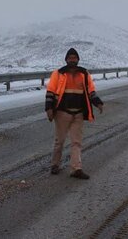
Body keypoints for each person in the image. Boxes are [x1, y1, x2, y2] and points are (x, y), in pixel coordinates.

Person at [45, 48, 104, 179]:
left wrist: (98, 103)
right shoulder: (58, 73)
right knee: (59, 141)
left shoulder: (84, 74)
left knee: (76, 142)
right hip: (62, 113)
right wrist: (49, 109)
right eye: (70, 58)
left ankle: (76, 169)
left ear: (78, 60)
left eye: (74, 58)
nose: (72, 60)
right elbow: (50, 92)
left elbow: (91, 91)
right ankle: (55, 165)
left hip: (78, 113)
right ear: (66, 59)